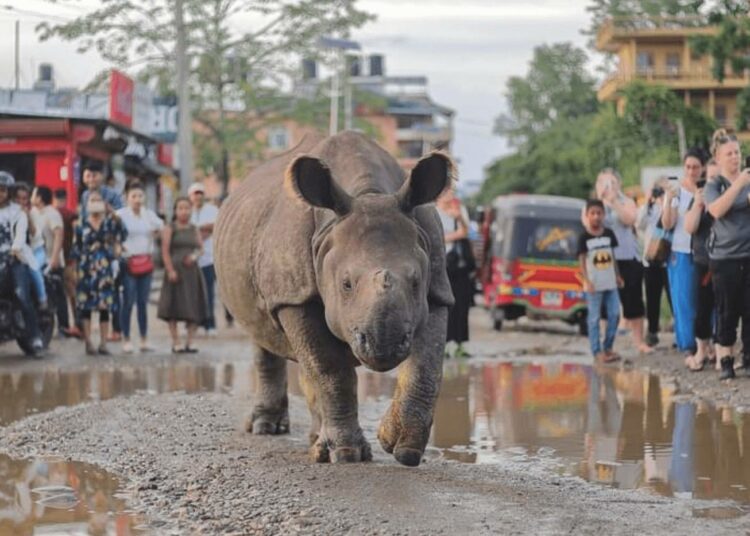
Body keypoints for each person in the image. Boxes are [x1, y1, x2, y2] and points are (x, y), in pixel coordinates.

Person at [703, 129, 750, 380]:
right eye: (729, 153)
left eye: (737, 152)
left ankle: (749, 357)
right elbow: (717, 210)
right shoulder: (714, 185)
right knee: (726, 309)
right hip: (724, 258)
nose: (735, 157)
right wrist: (739, 184)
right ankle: (726, 360)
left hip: (748, 253)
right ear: (719, 159)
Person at [593, 169, 652, 354]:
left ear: (618, 184)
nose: (607, 187)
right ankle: (606, 343)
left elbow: (630, 219)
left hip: (627, 257)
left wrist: (614, 201)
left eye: (611, 183)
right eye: (603, 183)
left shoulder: (626, 201)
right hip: (603, 258)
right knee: (604, 303)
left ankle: (639, 342)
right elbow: (591, 226)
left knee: (633, 300)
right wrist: (603, 202)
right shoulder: (594, 206)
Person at [71, 192, 127, 356]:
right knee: (85, 308)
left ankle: (103, 343)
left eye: (98, 200)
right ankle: (89, 342)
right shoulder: (81, 224)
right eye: (92, 200)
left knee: (105, 308)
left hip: (104, 269)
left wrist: (113, 214)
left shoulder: (110, 222)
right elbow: (76, 248)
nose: (95, 203)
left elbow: (123, 234)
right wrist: (74, 271)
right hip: (86, 268)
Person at [661, 148, 705, 355]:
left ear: (702, 168)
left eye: (696, 167)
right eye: (688, 166)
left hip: (702, 251)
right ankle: (687, 344)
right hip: (681, 250)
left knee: (703, 300)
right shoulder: (677, 190)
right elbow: (667, 223)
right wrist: (669, 200)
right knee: (683, 300)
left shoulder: (707, 188)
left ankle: (704, 342)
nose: (691, 171)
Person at [116, 181, 164, 353]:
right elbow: (112, 235)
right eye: (133, 196)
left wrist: (155, 234)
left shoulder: (148, 214)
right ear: (127, 198)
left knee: (143, 302)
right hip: (128, 262)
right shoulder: (120, 215)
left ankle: (144, 339)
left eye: (140, 196)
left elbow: (162, 227)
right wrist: (119, 249)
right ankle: (126, 338)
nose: (137, 199)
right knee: (128, 301)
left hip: (146, 262)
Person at [158, 196, 208, 353]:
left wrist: (194, 256)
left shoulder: (194, 228)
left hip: (192, 272)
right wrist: (170, 270)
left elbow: (201, 248)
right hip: (175, 271)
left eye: (187, 208)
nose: (184, 211)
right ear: (175, 211)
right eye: (181, 208)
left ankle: (190, 341)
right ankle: (176, 341)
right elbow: (165, 251)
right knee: (172, 306)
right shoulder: (170, 228)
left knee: (194, 306)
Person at [0, 172, 43, 354]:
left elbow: (19, 233)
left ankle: (34, 337)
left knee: (21, 295)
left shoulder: (17, 212)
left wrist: (15, 248)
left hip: (14, 258)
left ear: (8, 192)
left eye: (2, 190)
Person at [684, 159, 719, 371]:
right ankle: (701, 350)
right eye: (709, 178)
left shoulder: (732, 197)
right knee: (703, 308)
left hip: (728, 260)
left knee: (726, 308)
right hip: (704, 261)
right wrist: (698, 203)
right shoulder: (699, 199)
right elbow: (689, 227)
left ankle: (722, 350)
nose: (712, 182)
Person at [578, 199, 624, 363]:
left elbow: (612, 257)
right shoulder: (583, 237)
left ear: (603, 215)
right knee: (594, 318)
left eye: (599, 213)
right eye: (593, 213)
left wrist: (618, 276)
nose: (596, 217)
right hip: (593, 285)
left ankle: (608, 347)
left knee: (615, 314)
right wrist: (587, 281)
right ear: (587, 215)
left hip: (610, 282)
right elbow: (582, 261)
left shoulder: (609, 234)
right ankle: (596, 351)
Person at [436, 188, 472, 357]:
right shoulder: (433, 212)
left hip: (459, 264)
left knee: (461, 304)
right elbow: (434, 237)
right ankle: (442, 345)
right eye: (447, 192)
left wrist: (458, 219)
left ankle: (459, 344)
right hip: (440, 264)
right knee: (442, 304)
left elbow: (466, 232)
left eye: (452, 192)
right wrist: (455, 235)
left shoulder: (459, 209)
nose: (451, 196)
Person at [636, 178, 672, 347]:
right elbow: (639, 224)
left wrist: (668, 199)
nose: (660, 194)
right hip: (651, 260)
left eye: (663, 190)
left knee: (673, 297)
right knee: (652, 298)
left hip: (669, 260)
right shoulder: (649, 209)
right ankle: (652, 331)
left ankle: (679, 332)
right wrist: (648, 198)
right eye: (659, 190)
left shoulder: (672, 205)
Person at [31, 186, 65, 333]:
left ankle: (64, 326)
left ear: (39, 197)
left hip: (52, 260)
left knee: (58, 294)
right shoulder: (32, 213)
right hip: (37, 259)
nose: (31, 198)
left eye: (33, 194)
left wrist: (55, 257)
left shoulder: (52, 214)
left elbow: (59, 235)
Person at [188, 183, 219, 337]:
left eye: (200, 193)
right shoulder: (187, 211)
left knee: (209, 293)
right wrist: (202, 230)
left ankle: (210, 323)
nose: (198, 196)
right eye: (195, 193)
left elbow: (216, 225)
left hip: (208, 259)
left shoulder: (212, 210)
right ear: (191, 196)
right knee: (193, 294)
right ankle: (196, 322)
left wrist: (200, 230)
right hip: (191, 260)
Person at [14, 183, 48, 309]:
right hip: (16, 254)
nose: (20, 202)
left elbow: (34, 234)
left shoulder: (32, 213)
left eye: (24, 199)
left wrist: (27, 216)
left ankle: (42, 298)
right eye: (17, 198)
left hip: (35, 251)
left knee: (33, 270)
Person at [54, 188, 81, 338]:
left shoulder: (55, 213)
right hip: (70, 259)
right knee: (72, 294)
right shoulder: (70, 213)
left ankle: (69, 325)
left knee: (65, 294)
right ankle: (78, 324)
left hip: (62, 259)